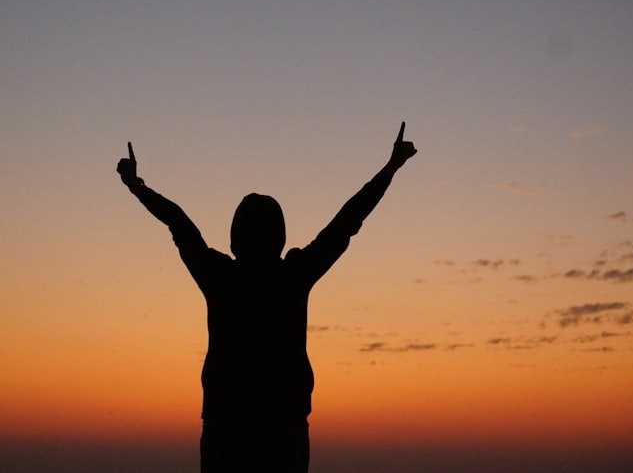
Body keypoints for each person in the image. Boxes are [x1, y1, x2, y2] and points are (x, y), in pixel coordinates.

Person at [116, 123, 417, 472]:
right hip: (280, 430)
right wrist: (391, 167)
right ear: (280, 236)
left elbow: (179, 223)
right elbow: (348, 220)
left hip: (228, 428)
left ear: (234, 237)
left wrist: (137, 186)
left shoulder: (220, 276)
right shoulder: (293, 275)